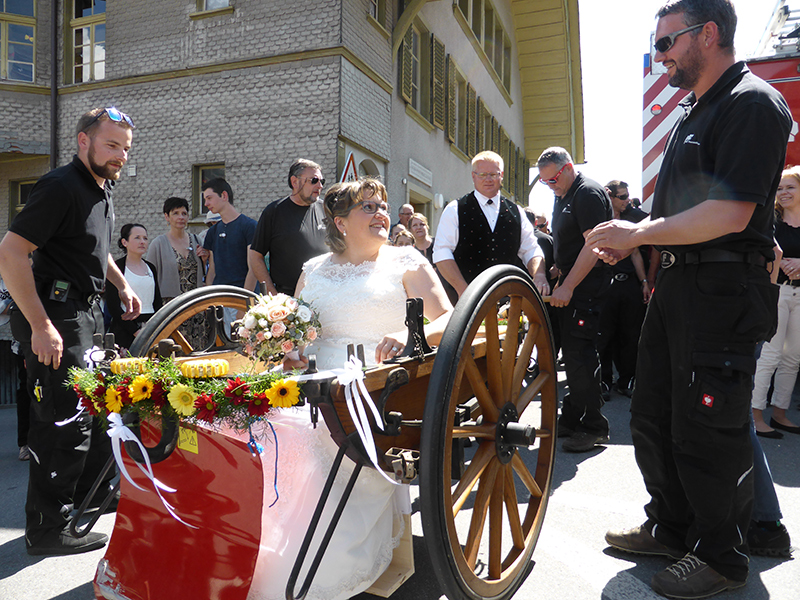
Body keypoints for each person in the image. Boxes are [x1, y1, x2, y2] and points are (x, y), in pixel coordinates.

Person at [588, 1, 792, 596]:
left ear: (709, 33)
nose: (661, 56)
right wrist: (635, 239)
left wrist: (637, 234)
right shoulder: (693, 110)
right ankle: (672, 528)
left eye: (666, 42)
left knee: (709, 426)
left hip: (721, 292)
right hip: (680, 286)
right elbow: (685, 214)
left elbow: (729, 213)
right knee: (653, 414)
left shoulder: (752, 102)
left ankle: (721, 557)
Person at [244, 179, 452, 600]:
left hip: (375, 389)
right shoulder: (313, 269)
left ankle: (314, 563)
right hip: (310, 383)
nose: (381, 213)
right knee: (270, 434)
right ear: (340, 222)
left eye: (383, 206)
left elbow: (448, 318)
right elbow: (299, 330)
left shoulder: (406, 261)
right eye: (368, 207)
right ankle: (258, 543)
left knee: (322, 445)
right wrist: (290, 351)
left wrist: (407, 332)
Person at [0, 106, 141, 556]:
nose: (120, 155)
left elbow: (93, 248)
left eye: (125, 148)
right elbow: (11, 252)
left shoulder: (99, 187)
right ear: (84, 141)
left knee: (95, 411)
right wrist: (40, 325)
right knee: (62, 422)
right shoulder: (61, 186)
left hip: (86, 314)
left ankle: (91, 496)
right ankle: (47, 530)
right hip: (56, 316)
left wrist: (120, 284)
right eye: (111, 144)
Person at [537, 147, 612, 453]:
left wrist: (567, 286)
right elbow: (568, 242)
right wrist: (559, 272)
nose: (550, 186)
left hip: (586, 285)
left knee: (580, 354)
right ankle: (571, 417)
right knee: (571, 354)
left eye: (553, 179)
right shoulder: (564, 193)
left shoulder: (587, 193)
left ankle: (593, 426)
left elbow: (593, 246)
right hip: (571, 281)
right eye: (544, 182)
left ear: (568, 167)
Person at [433, 150, 549, 299]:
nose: (488, 179)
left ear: (501, 175)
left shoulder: (517, 212)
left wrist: (539, 275)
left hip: (506, 299)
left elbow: (531, 249)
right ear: (473, 176)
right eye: (482, 174)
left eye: (493, 174)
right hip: (461, 301)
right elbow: (442, 252)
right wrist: (463, 290)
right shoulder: (455, 209)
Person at [751, 167, 800, 438]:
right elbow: (759, 252)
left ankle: (780, 414)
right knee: (769, 356)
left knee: (792, 358)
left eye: (790, 187)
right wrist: (780, 262)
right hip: (777, 292)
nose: (783, 193)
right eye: (779, 188)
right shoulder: (770, 221)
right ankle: (756, 415)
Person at [597, 180, 650, 399]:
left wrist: (644, 282)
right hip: (604, 284)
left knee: (631, 334)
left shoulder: (632, 219)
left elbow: (635, 253)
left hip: (628, 284)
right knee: (604, 335)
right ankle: (604, 381)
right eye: (622, 197)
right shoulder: (599, 220)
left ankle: (626, 379)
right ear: (610, 196)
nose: (627, 200)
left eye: (628, 196)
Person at [249, 159, 328, 295]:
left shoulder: (326, 210)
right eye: (314, 180)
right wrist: (273, 295)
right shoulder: (274, 212)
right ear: (294, 182)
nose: (320, 186)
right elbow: (255, 256)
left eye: (322, 181)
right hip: (288, 297)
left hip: (323, 294)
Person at [146, 197, 207, 347]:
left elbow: (207, 273)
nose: (181, 217)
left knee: (198, 350)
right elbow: (150, 278)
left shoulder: (197, 240)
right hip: (171, 308)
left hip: (196, 306)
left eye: (184, 213)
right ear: (167, 217)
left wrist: (205, 259)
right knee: (175, 349)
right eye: (175, 213)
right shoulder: (158, 244)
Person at [106, 224, 162, 350]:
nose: (142, 242)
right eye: (137, 238)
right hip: (124, 329)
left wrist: (155, 328)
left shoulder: (151, 268)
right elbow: (113, 306)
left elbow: (157, 302)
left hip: (150, 328)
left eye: (145, 238)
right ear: (124, 242)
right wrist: (135, 331)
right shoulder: (117, 268)